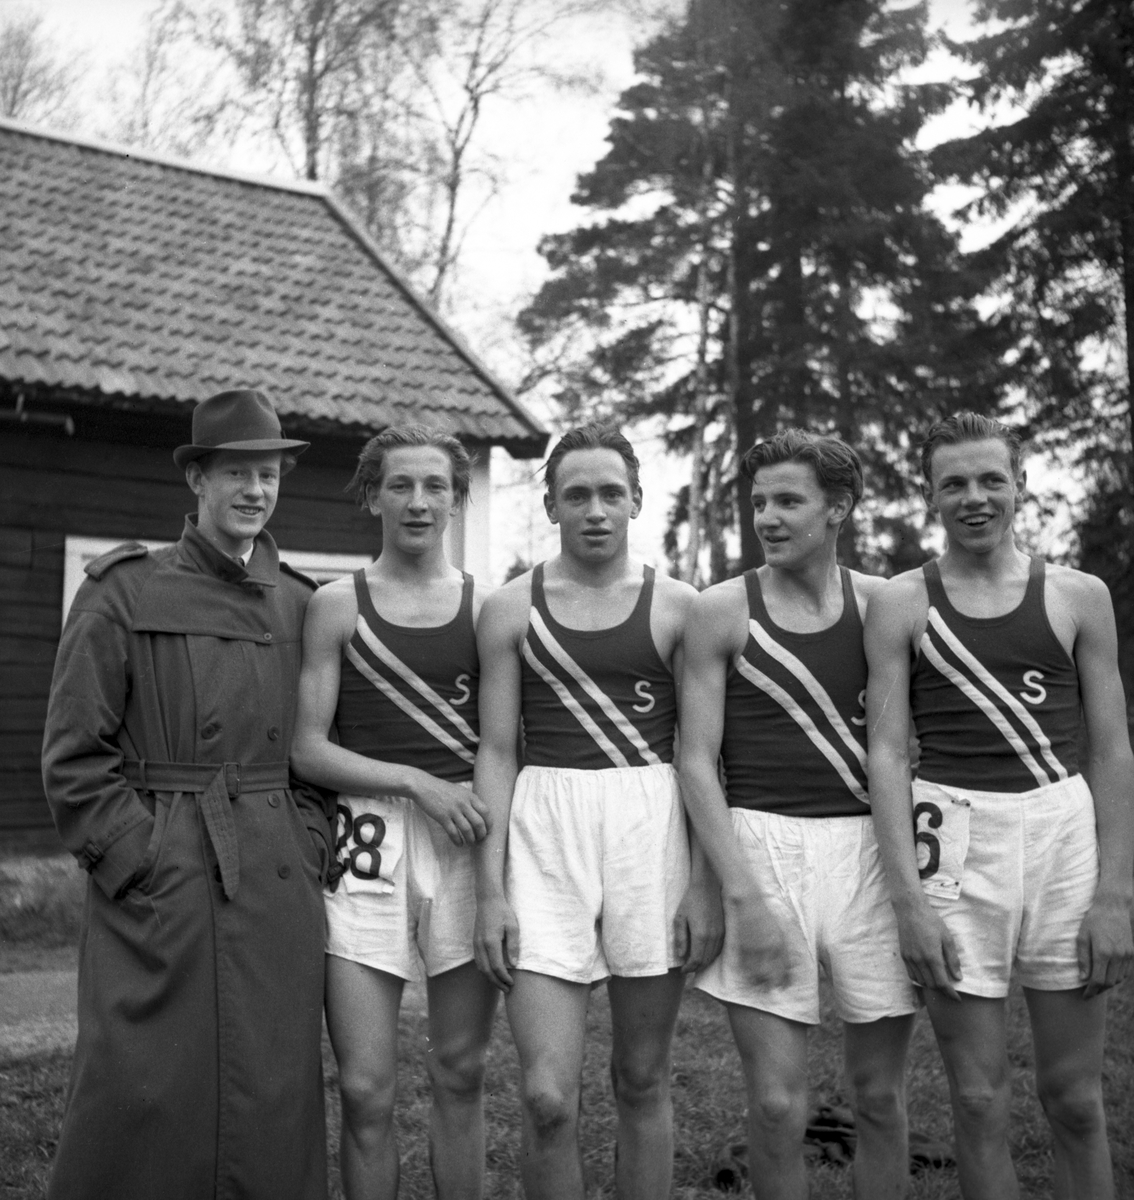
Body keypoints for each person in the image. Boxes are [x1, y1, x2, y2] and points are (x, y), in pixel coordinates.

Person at [41, 388, 333, 1200]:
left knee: (270, 1089)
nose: (255, 490)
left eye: (268, 474)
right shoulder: (123, 590)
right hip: (163, 879)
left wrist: (306, 842)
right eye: (236, 472)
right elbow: (74, 754)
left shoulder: (302, 602)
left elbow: (318, 752)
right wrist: (139, 858)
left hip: (275, 882)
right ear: (197, 479)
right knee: (140, 1082)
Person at [866, 412, 1134, 1200]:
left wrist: (1115, 895)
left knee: (1076, 1100)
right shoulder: (902, 602)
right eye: (953, 483)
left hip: (1061, 836)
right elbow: (887, 754)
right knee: (979, 1099)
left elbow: (1111, 750)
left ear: (1021, 484)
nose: (974, 497)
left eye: (991, 480)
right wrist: (908, 904)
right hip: (953, 841)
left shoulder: (1078, 596)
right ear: (930, 495)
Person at [473, 423, 719, 1200]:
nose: (596, 510)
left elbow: (705, 758)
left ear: (637, 499)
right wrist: (489, 889)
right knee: (547, 1097)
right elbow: (496, 752)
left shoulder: (680, 608)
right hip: (545, 836)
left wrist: (704, 883)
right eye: (576, 495)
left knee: (641, 1079)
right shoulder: (510, 609)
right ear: (550, 505)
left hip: (651, 834)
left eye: (612, 493)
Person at [679, 430, 917, 1200]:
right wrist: (738, 894)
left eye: (789, 501)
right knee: (778, 1106)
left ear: (838, 508)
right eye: (759, 503)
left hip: (871, 852)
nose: (768, 518)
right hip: (763, 847)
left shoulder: (884, 604)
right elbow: (695, 760)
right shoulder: (722, 609)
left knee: (879, 1099)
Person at [290, 426, 496, 1200]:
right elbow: (308, 748)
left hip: (464, 837)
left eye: (435, 486)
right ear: (372, 495)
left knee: (461, 1072)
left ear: (456, 499)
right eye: (400, 485)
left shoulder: (487, 608)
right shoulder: (336, 604)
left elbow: (504, 741)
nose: (418, 501)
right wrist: (414, 781)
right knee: (365, 1089)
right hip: (365, 841)